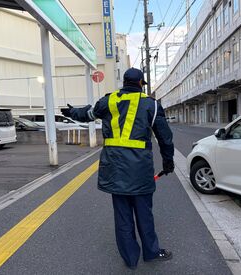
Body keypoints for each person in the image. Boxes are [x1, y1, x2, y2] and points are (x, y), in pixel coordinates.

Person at [61, 67, 174, 269]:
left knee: (122, 216)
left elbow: (87, 114)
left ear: (124, 82)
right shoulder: (151, 104)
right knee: (144, 213)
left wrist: (72, 112)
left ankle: (130, 259)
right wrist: (168, 161)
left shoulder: (108, 101)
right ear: (140, 84)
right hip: (140, 169)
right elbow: (164, 136)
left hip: (114, 168)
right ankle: (151, 251)